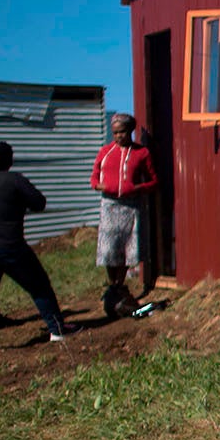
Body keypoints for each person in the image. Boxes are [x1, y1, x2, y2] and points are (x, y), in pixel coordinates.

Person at [0, 141, 68, 349]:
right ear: (10, 161)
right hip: (12, 247)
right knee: (39, 286)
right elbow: (39, 203)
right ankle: (56, 331)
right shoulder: (15, 181)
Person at [91, 112, 157, 318]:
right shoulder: (105, 152)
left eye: (122, 132)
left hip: (131, 205)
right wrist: (101, 186)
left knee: (127, 247)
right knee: (110, 248)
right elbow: (93, 177)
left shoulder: (141, 153)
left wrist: (136, 188)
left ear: (130, 131)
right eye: (115, 133)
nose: (118, 136)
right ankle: (113, 285)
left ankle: (119, 287)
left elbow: (154, 181)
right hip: (110, 205)